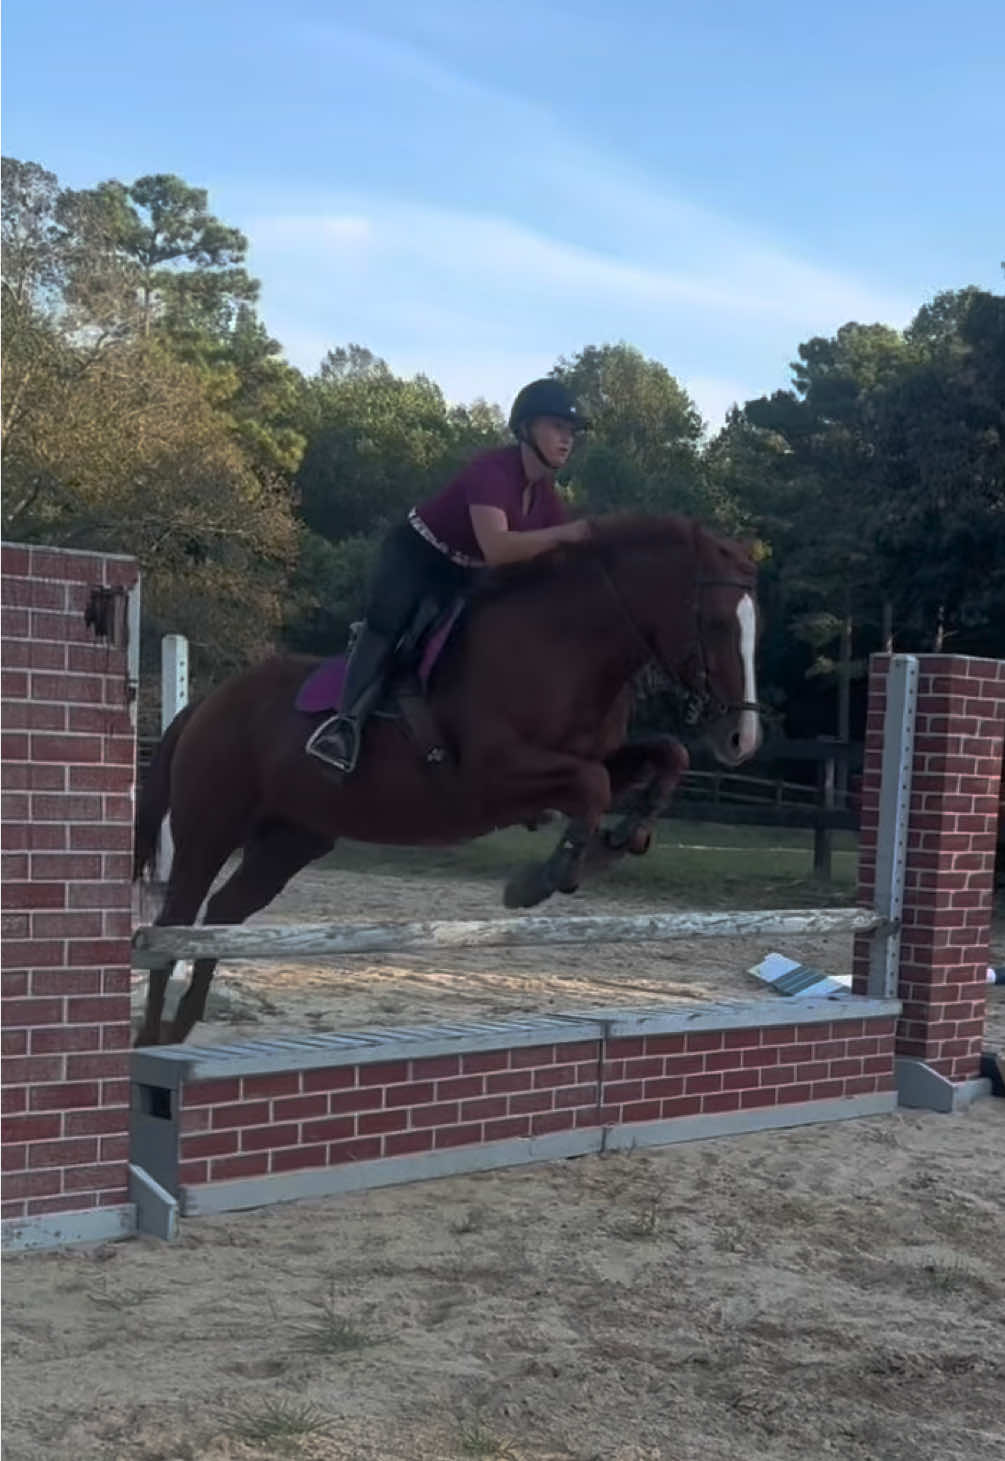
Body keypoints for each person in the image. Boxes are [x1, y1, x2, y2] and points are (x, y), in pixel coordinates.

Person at [306, 378, 592, 773]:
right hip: (417, 554)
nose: (567, 439)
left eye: (572, 432)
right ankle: (343, 727)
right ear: (526, 428)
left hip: (465, 571)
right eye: (558, 427)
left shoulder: (545, 496)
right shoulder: (492, 471)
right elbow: (498, 548)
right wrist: (566, 535)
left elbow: (554, 560)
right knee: (388, 625)